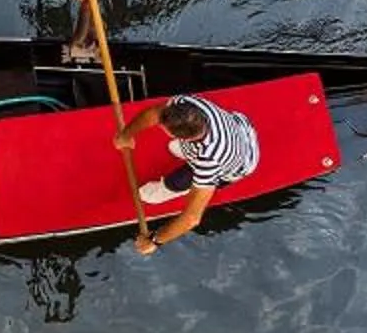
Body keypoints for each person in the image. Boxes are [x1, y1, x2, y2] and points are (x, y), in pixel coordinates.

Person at [111, 92, 259, 254]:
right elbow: (154, 113)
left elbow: (192, 218)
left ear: (177, 135)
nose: (158, 124)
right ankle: (189, 152)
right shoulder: (185, 104)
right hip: (240, 127)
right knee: (175, 148)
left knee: (167, 186)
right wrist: (126, 135)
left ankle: (167, 186)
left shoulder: (209, 160)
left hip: (236, 164)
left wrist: (155, 240)